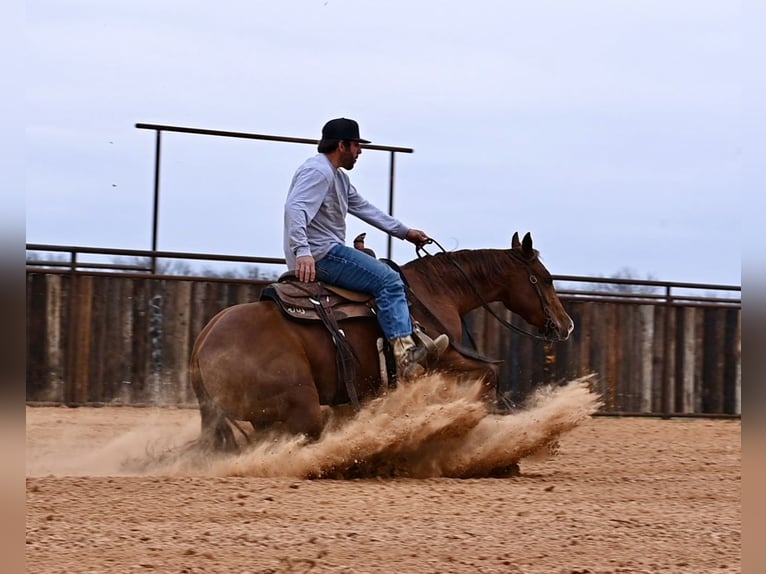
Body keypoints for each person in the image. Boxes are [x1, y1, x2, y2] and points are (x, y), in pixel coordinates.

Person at [283, 117, 448, 380]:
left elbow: (365, 208)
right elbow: (295, 208)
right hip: (323, 254)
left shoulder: (337, 178)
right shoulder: (319, 171)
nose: (360, 152)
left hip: (322, 251)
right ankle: (405, 355)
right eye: (357, 145)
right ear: (342, 145)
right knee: (389, 280)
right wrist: (302, 251)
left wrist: (405, 232)